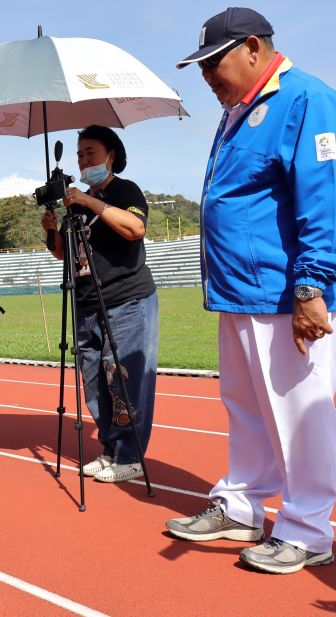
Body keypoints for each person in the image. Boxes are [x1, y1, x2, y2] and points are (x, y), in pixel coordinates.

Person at [165, 7, 336, 575]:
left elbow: (322, 197)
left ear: (255, 49)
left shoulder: (305, 99)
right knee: (246, 411)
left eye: (215, 62)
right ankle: (241, 504)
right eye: (202, 66)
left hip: (285, 296)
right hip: (238, 292)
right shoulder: (239, 110)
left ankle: (308, 529)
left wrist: (313, 285)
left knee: (299, 415)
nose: (207, 75)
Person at [41, 125, 158, 484]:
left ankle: (130, 454)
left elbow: (135, 228)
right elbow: (65, 254)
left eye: (90, 153)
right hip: (86, 301)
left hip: (125, 298)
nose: (83, 160)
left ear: (111, 156)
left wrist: (91, 200)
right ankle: (109, 448)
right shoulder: (74, 204)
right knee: (93, 380)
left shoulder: (125, 190)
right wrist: (52, 231)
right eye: (79, 154)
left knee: (121, 377)